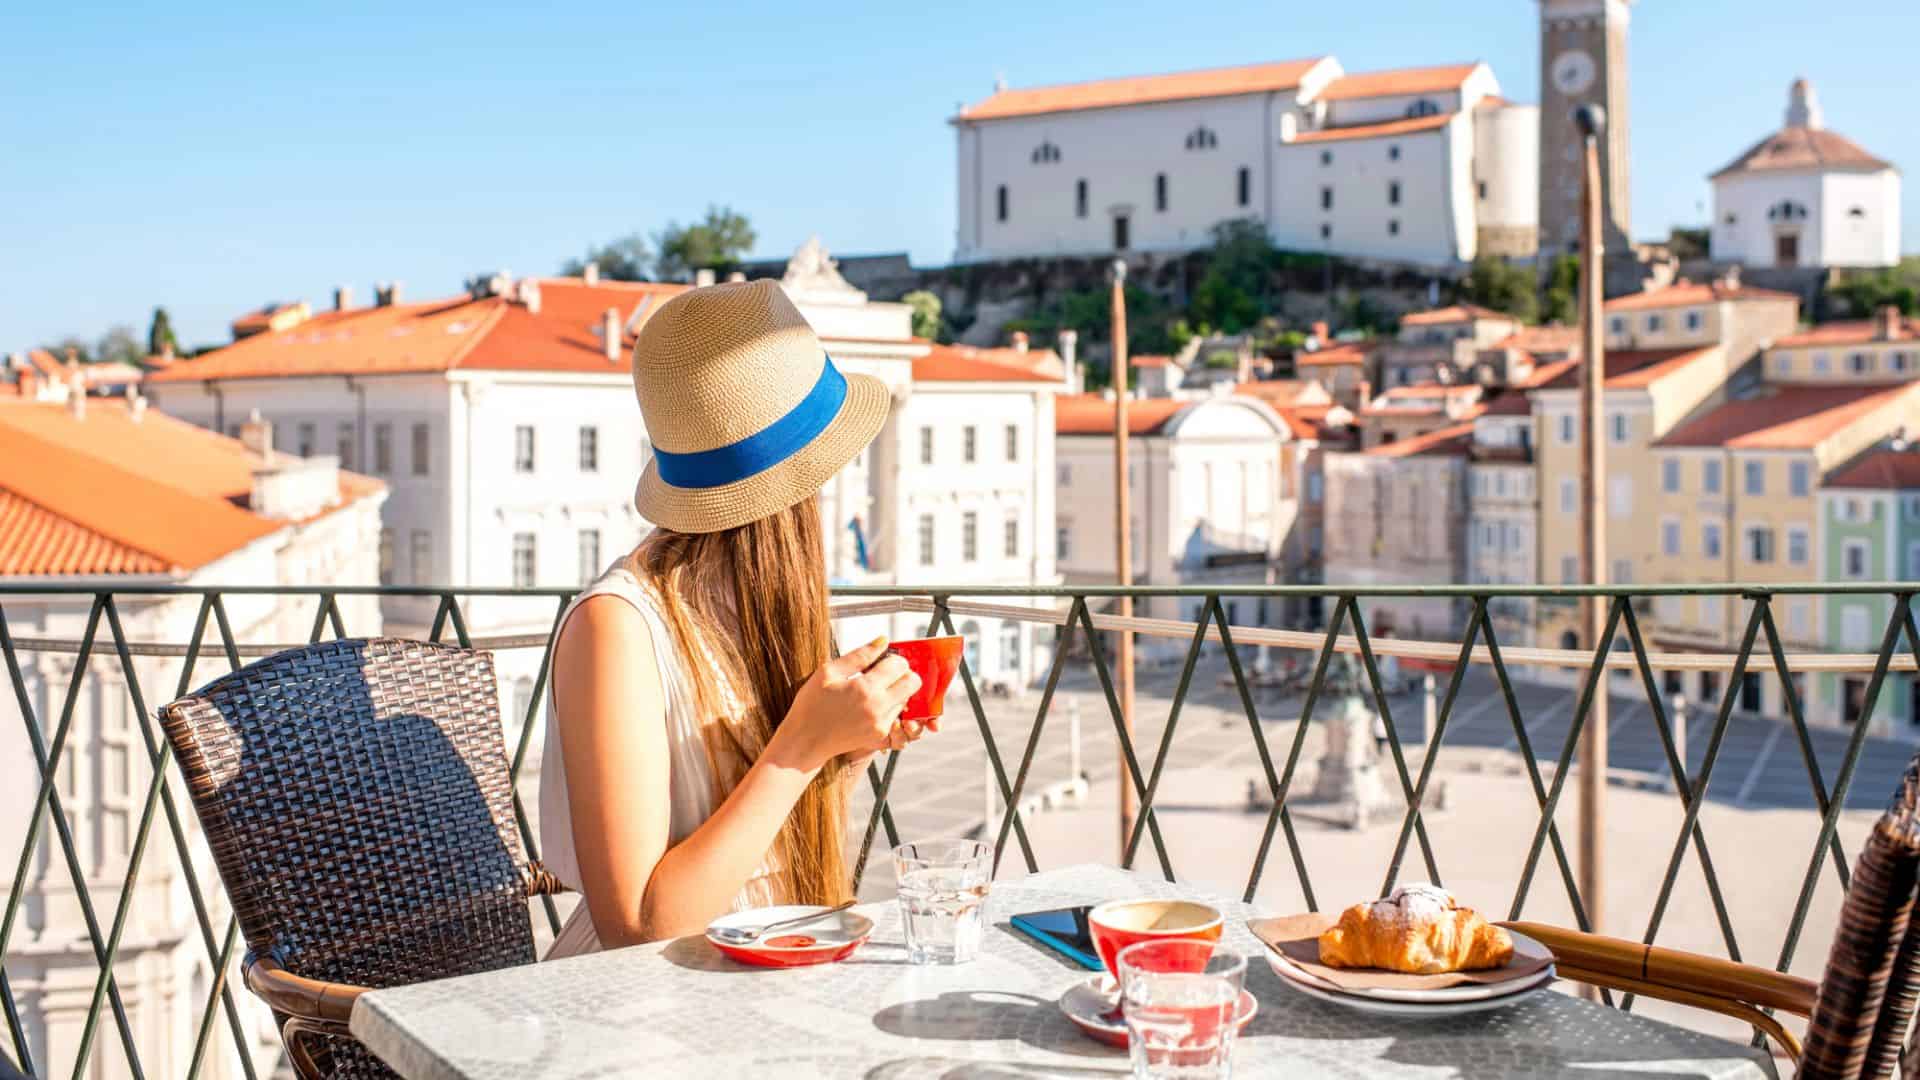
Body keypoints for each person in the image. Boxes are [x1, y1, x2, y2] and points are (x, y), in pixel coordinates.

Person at [539, 280, 930, 958]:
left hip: (770, 965)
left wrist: (843, 749)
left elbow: (751, 841)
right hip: (641, 1019)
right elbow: (638, 928)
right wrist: (801, 748)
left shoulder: (756, 601)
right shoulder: (618, 628)